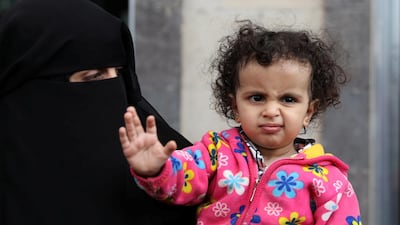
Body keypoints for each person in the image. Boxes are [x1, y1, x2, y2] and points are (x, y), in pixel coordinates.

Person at [119, 20, 362, 225]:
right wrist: (155, 169)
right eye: (257, 98)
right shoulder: (215, 153)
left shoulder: (329, 180)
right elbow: (180, 182)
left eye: (288, 99)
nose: (270, 111)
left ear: (309, 111)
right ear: (235, 106)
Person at [0, 0, 197, 224]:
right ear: (34, 91)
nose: (114, 89)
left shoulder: (169, 168)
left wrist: (157, 176)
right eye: (94, 77)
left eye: (119, 74)